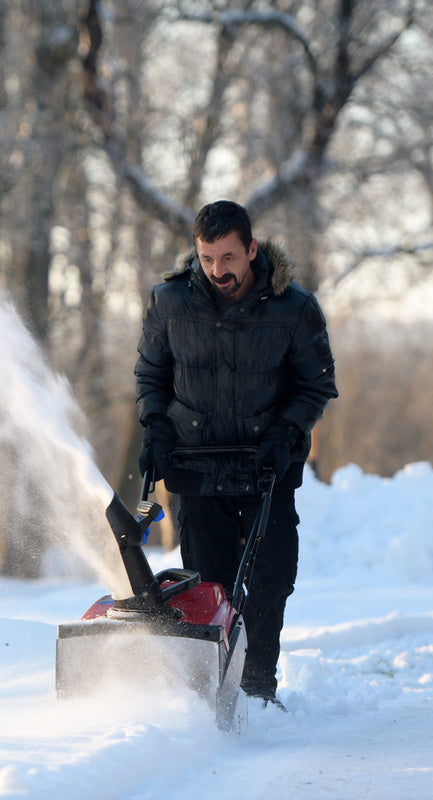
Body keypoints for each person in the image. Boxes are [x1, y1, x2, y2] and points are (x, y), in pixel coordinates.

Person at [134, 200, 337, 707]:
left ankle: (258, 687)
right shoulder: (169, 302)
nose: (217, 271)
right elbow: (151, 376)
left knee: (270, 579)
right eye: (206, 259)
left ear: (250, 249)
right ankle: (215, 691)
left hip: (266, 465)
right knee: (210, 586)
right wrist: (156, 428)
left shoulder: (294, 309)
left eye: (227, 258)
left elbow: (316, 385)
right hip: (197, 467)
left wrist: (285, 432)